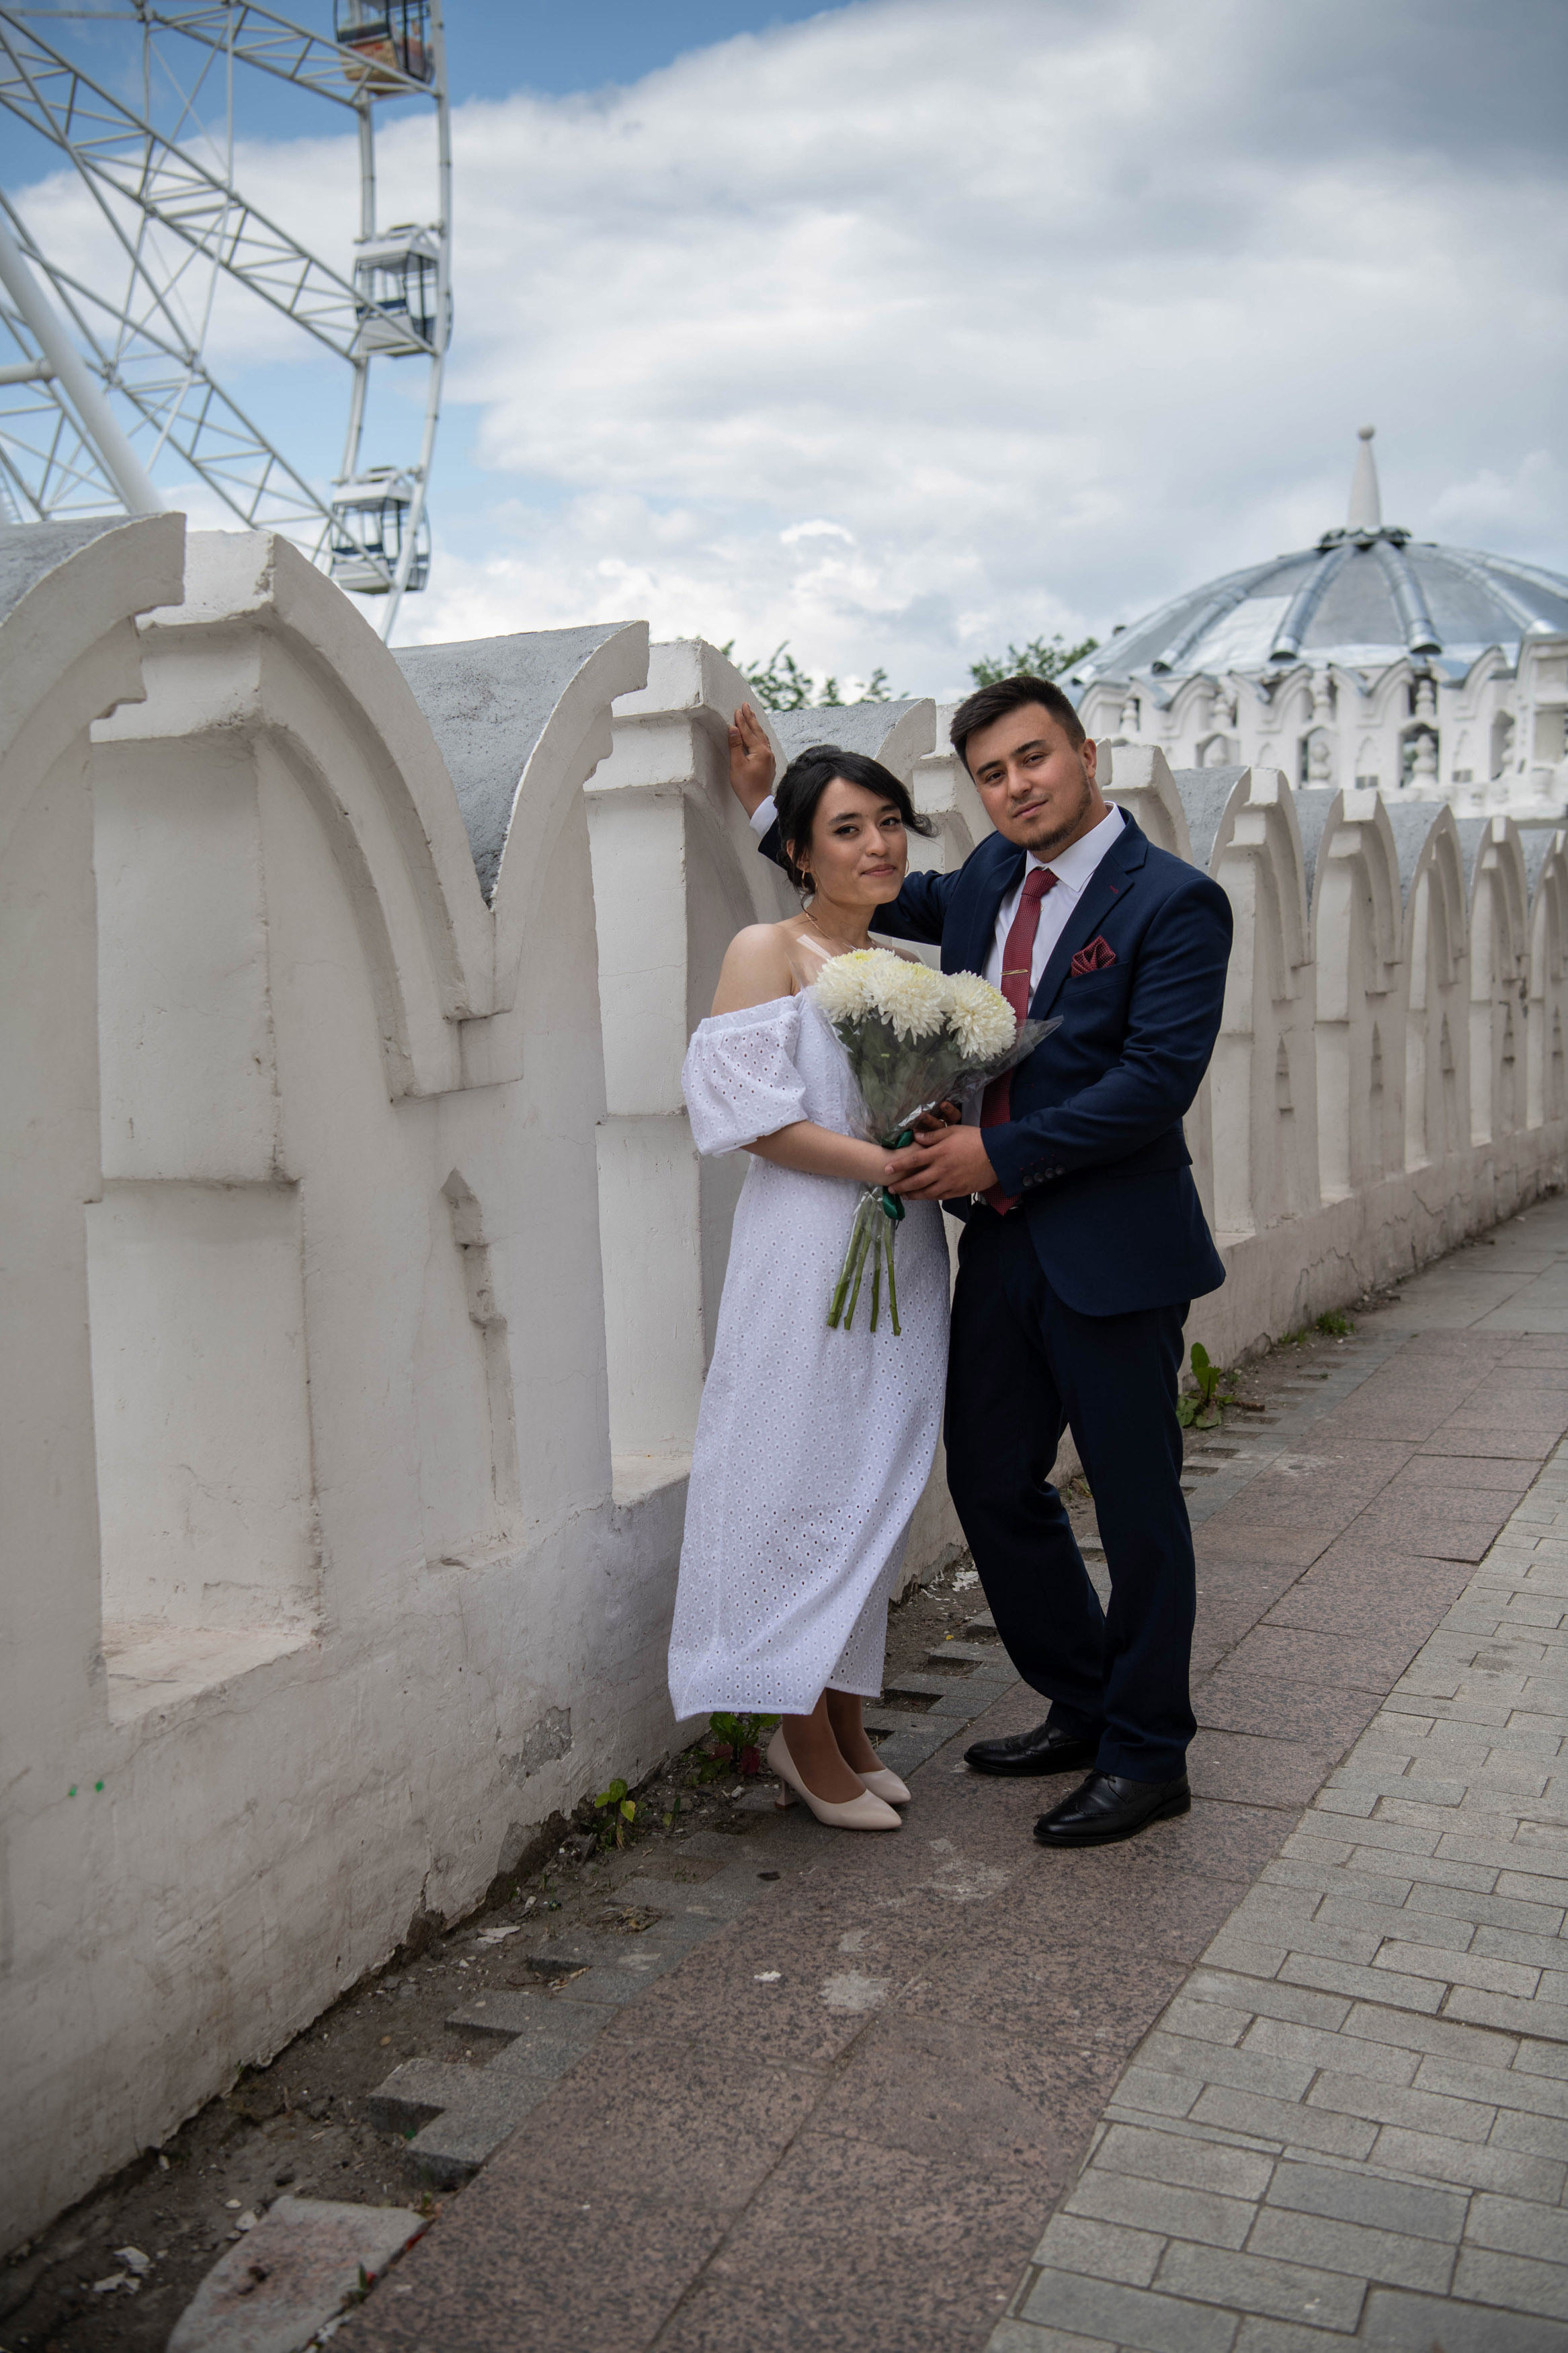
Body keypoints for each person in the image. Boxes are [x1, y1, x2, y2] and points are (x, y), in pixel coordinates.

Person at [731, 675, 1233, 1847]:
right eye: (992, 774)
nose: (1015, 787)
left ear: (1084, 755)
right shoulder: (987, 885)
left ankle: (1150, 1754)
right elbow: (861, 890)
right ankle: (1083, 1700)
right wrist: (768, 807)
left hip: (1114, 1249)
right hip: (1001, 1244)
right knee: (993, 1484)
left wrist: (991, 1149)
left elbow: (1153, 1085)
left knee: (1136, 1501)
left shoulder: (1174, 901)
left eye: (1032, 760)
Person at [667, 745, 952, 1832]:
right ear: (794, 849)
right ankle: (793, 1730)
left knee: (873, 1474)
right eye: (845, 828)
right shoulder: (766, 949)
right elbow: (753, 1121)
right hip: (807, 1246)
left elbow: (910, 1108)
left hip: (903, 1246)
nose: (877, 844)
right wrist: (886, 1163)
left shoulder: (905, 971)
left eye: (888, 821)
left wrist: (929, 1130)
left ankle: (841, 1716)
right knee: (799, 1467)